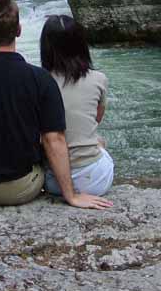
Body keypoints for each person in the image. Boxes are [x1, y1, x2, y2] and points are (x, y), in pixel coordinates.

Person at [0, 0, 113, 209]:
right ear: (19, 30)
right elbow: (54, 139)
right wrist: (71, 196)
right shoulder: (39, 79)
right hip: (23, 188)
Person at [40, 14, 114, 197]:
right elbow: (96, 119)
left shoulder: (37, 81)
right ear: (81, 44)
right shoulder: (99, 79)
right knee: (99, 141)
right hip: (96, 180)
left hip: (54, 182)